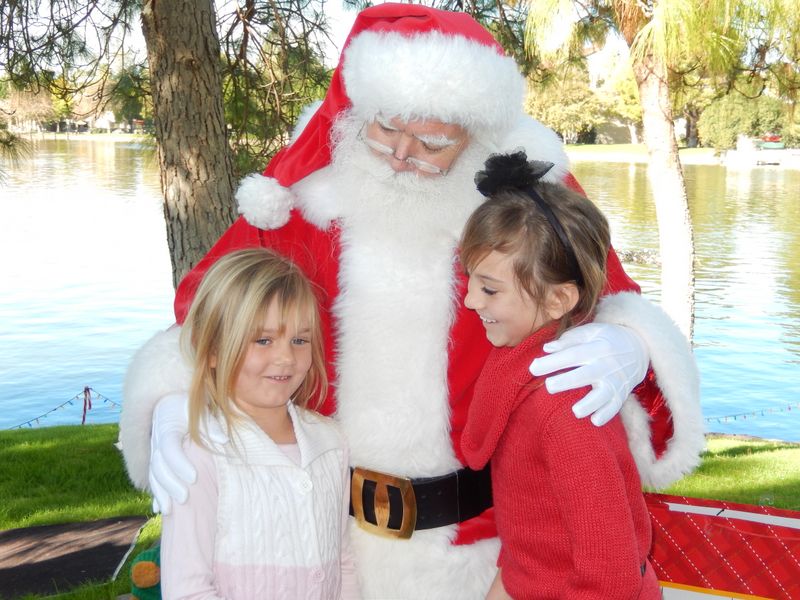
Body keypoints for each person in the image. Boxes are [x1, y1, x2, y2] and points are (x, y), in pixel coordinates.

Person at [119, 4, 703, 597]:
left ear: (475, 138)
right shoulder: (299, 200)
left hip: (483, 553)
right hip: (327, 545)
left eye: (431, 141)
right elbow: (209, 309)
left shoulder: (526, 210)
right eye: (386, 128)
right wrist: (173, 403)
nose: (401, 154)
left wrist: (626, 340)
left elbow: (605, 294)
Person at [460, 152, 661, 599]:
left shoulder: (565, 410)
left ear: (557, 301)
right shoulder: (523, 376)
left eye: (490, 288)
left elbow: (610, 575)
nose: (472, 301)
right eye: (470, 280)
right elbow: (534, 522)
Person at [158, 248, 359, 599]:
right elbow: (187, 589)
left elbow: (343, 563)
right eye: (263, 340)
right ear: (213, 350)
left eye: (300, 340)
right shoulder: (203, 454)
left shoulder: (332, 443)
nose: (285, 357)